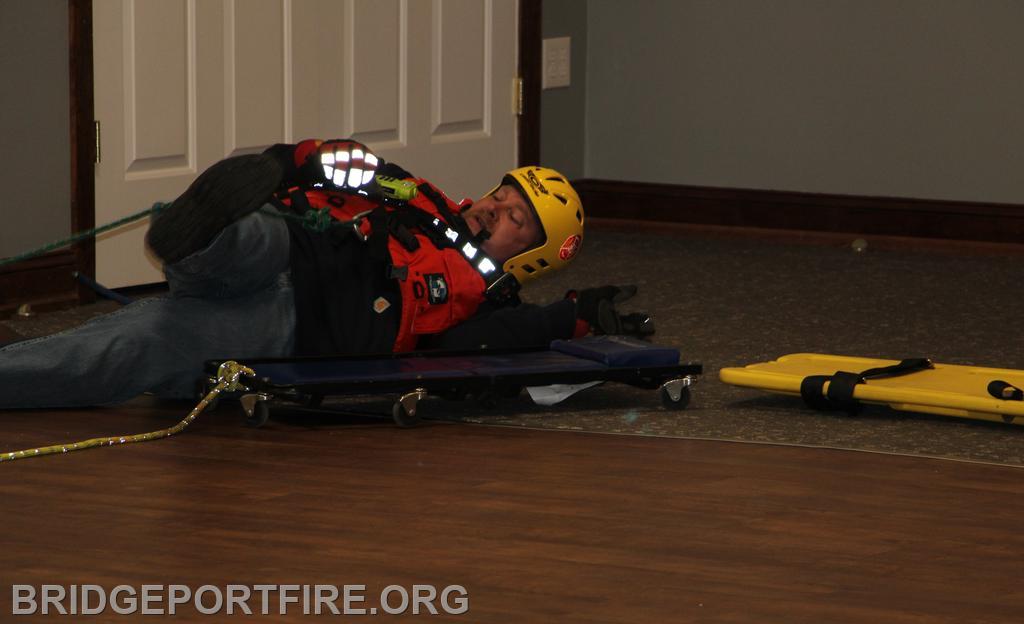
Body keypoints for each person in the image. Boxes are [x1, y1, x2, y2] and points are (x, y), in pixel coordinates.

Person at [0, 139, 641, 408]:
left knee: (146, 338)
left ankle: (13, 371)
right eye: (503, 194)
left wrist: (576, 315)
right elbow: (348, 163)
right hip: (288, 249)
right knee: (248, 237)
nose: (497, 208)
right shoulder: (420, 195)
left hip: (293, 325)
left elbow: (502, 343)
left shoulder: (489, 305)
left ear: (533, 255)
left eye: (517, 218)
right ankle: (200, 228)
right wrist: (287, 164)